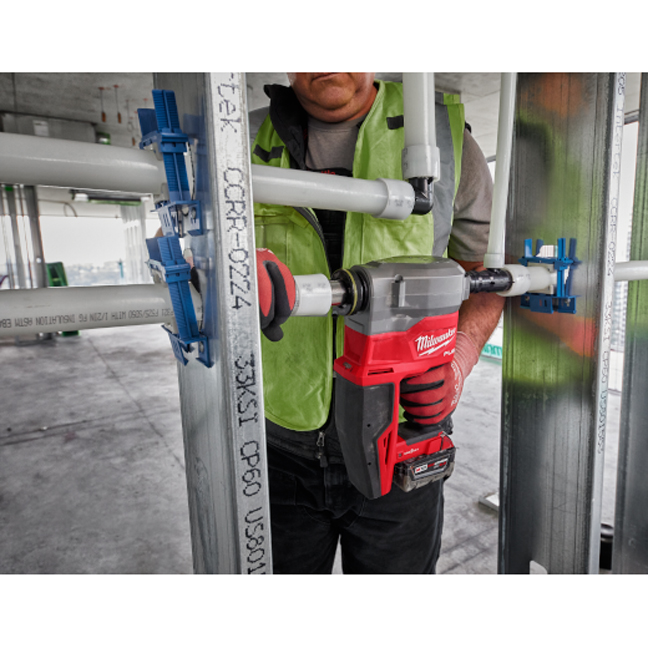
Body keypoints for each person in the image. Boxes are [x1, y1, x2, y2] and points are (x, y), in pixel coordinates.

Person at [251, 73, 504, 574]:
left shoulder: (445, 139)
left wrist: (457, 361)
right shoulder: (241, 142)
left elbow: (487, 274)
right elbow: (189, 243)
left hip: (405, 438)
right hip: (279, 444)